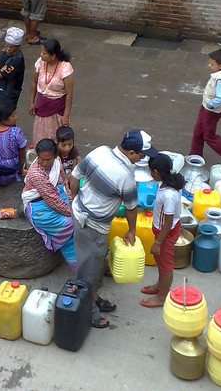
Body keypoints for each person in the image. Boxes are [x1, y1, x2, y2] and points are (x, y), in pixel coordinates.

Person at [68, 130, 155, 328]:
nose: (142, 159)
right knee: (87, 273)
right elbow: (132, 209)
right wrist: (131, 230)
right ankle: (88, 312)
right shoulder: (126, 177)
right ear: (132, 153)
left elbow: (74, 177)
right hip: (94, 227)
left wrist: (74, 199)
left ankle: (94, 296)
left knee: (95, 265)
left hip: (79, 214)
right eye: (142, 155)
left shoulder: (100, 151)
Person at [21, 138, 76, 269]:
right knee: (70, 224)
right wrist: (72, 213)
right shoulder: (36, 174)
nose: (45, 163)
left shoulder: (57, 163)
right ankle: (76, 262)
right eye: (41, 159)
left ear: (55, 156)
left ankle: (77, 258)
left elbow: (63, 181)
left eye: (48, 160)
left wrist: (70, 200)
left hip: (54, 194)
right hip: (38, 206)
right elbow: (53, 200)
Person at [139, 153, 185, 308]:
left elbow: (168, 221)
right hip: (161, 231)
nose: (150, 174)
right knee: (160, 260)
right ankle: (160, 285)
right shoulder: (165, 184)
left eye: (151, 171)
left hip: (166, 234)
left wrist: (158, 242)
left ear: (157, 172)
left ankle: (162, 297)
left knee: (166, 265)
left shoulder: (170, 194)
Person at [28, 39, 74, 143]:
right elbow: (34, 83)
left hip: (57, 111)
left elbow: (69, 95)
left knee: (56, 140)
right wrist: (31, 102)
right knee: (41, 139)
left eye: (44, 53)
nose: (41, 55)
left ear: (53, 56)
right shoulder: (40, 63)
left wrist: (66, 116)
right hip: (41, 108)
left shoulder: (65, 68)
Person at [0, 104, 27, 186]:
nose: (16, 117)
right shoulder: (16, 132)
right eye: (13, 115)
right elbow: (22, 154)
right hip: (9, 176)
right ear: (4, 120)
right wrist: (20, 169)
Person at [0, 27, 26, 111]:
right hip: (0, 88)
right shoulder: (4, 52)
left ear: (18, 46)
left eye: (11, 47)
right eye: (6, 45)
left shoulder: (17, 59)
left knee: (5, 114)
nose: (7, 48)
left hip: (10, 92)